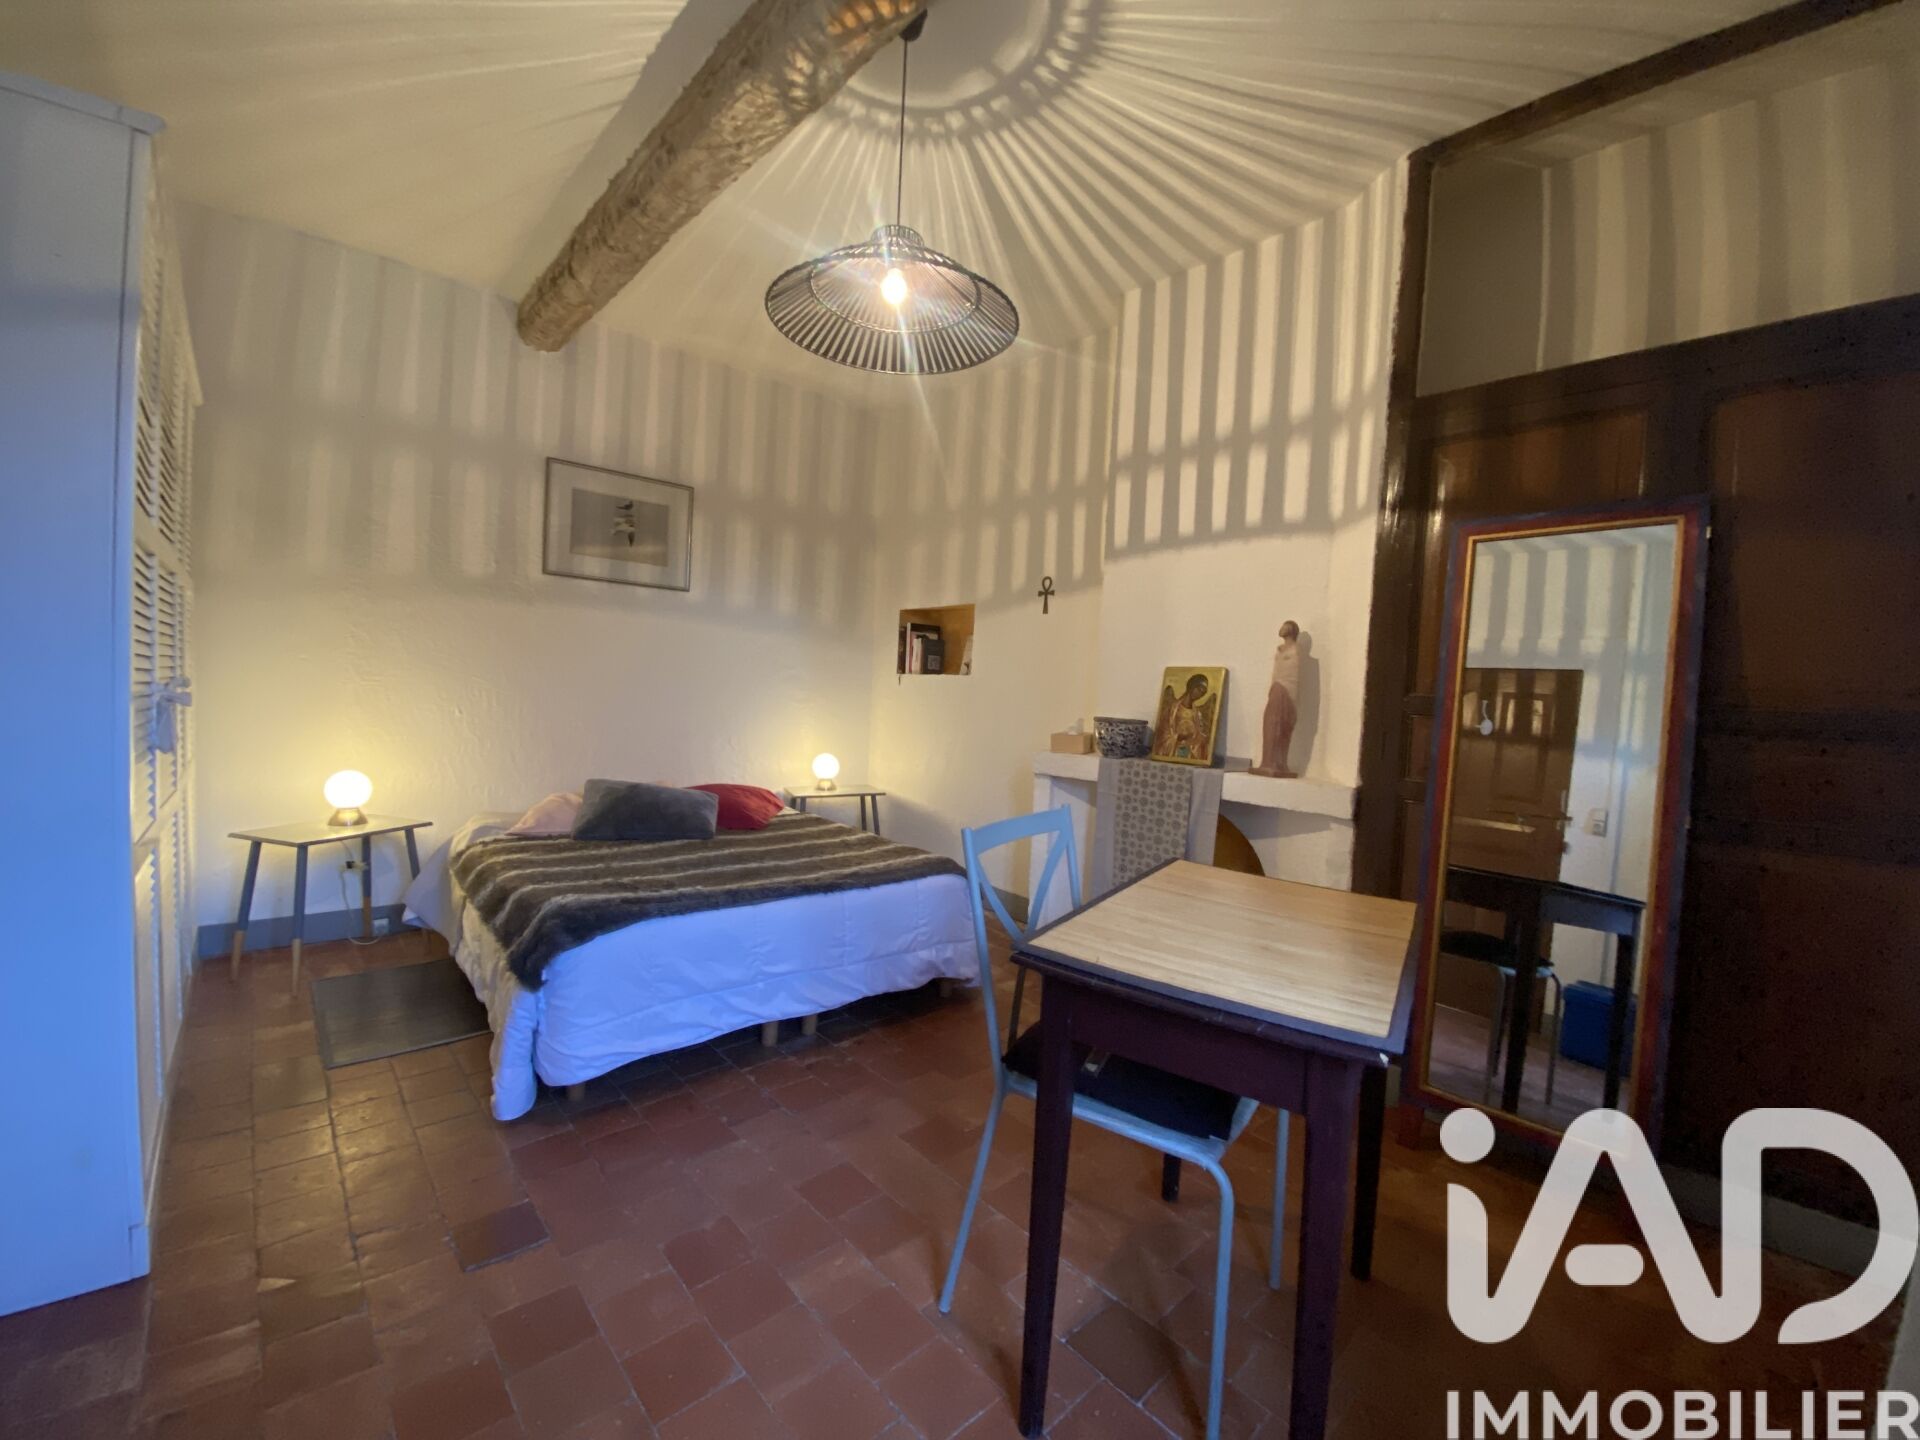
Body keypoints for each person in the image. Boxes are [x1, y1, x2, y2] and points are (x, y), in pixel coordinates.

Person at [1250, 621, 1301, 777]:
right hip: (1276, 687)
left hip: (1286, 688)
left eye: (1285, 626)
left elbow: (1293, 672)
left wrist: (1282, 686)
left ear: (1291, 630)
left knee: (1280, 722)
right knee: (1269, 723)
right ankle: (1268, 761)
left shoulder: (1295, 649)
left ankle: (1278, 762)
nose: (1281, 629)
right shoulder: (1279, 650)